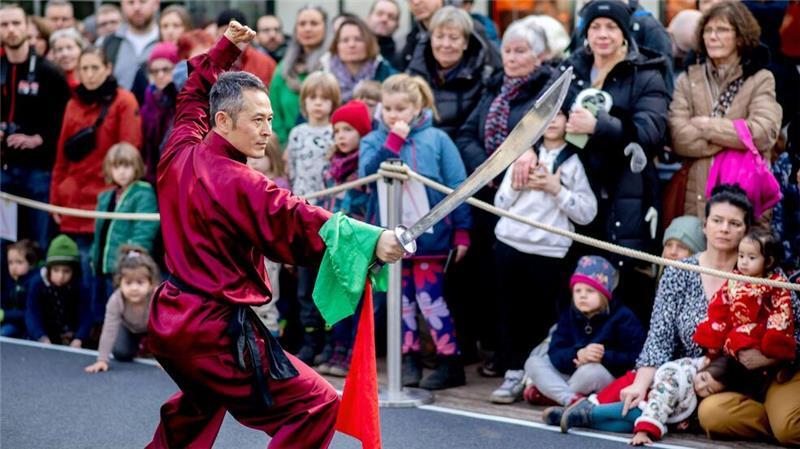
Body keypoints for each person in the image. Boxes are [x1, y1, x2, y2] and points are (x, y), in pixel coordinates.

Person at [146, 22, 404, 448]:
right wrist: (373, 240)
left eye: (269, 119)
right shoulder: (241, 181)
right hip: (213, 332)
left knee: (198, 406)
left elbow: (192, 95)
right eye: (257, 120)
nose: (268, 129)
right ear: (222, 120)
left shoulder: (179, 149)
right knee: (316, 404)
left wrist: (225, 49)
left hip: (170, 319)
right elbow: (296, 217)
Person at [617, 184, 800, 446]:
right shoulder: (679, 272)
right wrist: (640, 383)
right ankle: (774, 422)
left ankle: (782, 420)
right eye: (717, 220)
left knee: (789, 428)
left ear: (746, 231)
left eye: (734, 223)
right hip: (713, 380)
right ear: (704, 226)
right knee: (711, 415)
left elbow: (797, 331)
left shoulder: (768, 273)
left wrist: (768, 357)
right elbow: (659, 337)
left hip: (773, 374)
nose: (724, 228)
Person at [550, 0, 669, 324]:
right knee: (575, 281)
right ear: (585, 33)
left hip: (627, 191)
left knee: (624, 282)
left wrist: (599, 125)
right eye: (595, 27)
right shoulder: (570, 70)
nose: (603, 34)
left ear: (624, 33)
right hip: (575, 188)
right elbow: (544, 114)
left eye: (611, 27)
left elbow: (651, 132)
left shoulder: (646, 73)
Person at [359, 73, 472, 390]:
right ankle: (408, 359)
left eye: (401, 108)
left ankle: (450, 360)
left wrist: (462, 230)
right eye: (388, 108)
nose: (393, 115)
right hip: (389, 236)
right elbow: (366, 174)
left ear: (417, 107)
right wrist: (393, 141)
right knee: (401, 301)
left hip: (431, 237)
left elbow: (457, 186)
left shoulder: (437, 139)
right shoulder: (372, 140)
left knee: (429, 299)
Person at [488, 111, 598, 403]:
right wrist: (517, 183)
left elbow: (587, 213)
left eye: (558, 115)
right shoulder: (523, 155)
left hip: (550, 250)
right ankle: (512, 373)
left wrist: (555, 189)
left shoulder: (573, 162)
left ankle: (536, 377)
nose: (551, 121)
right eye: (546, 114)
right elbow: (499, 203)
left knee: (543, 317)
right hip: (510, 243)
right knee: (510, 313)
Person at [51, 46, 142, 322]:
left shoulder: (124, 101)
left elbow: (130, 154)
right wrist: (55, 197)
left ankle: (103, 327)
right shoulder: (73, 104)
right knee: (78, 272)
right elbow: (61, 156)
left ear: (108, 69)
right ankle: (83, 328)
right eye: (84, 69)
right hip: (74, 201)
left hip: (106, 203)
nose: (89, 74)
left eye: (95, 68)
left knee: (104, 272)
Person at [669, 1, 782, 220]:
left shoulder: (760, 78)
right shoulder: (688, 79)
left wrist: (706, 125)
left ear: (740, 36)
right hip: (694, 201)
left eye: (722, 30)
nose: (712, 37)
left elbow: (762, 134)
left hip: (743, 203)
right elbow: (678, 137)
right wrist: (736, 136)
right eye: (708, 30)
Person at [524, 256, 645, 406]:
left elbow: (636, 357)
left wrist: (603, 357)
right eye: (577, 290)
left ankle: (552, 395)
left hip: (601, 376)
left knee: (591, 372)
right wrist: (578, 354)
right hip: (571, 374)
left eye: (590, 290)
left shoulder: (623, 317)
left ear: (604, 293)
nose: (582, 296)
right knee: (533, 362)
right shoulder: (569, 314)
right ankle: (571, 399)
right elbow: (555, 351)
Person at [553, 356, 755, 445]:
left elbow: (681, 409)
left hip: (650, 413)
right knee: (636, 413)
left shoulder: (698, 391)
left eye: (709, 390)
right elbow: (660, 401)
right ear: (705, 366)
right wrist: (643, 431)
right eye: (703, 379)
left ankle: (570, 417)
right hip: (635, 395)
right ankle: (587, 411)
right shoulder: (679, 376)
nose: (701, 387)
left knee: (628, 425)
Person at [0, 4, 71, 251]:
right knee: (5, 243)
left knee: (39, 241)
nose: (11, 30)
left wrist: (38, 138)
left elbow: (64, 120)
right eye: (4, 24)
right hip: (5, 170)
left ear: (27, 27)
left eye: (16, 23)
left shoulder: (48, 72)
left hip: (39, 170)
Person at [314, 100, 373, 377]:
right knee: (336, 294)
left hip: (356, 241)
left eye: (348, 130)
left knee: (355, 297)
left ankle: (350, 350)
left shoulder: (365, 166)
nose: (341, 136)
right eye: (337, 130)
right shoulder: (331, 166)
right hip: (334, 239)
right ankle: (336, 346)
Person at [286, 71, 340, 364]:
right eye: (312, 98)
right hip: (302, 217)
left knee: (328, 282)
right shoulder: (297, 134)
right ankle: (310, 340)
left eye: (324, 99)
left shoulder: (335, 133)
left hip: (329, 218)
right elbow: (292, 173)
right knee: (304, 285)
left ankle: (331, 342)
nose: (318, 104)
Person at [693, 228, 796, 361]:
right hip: (733, 331)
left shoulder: (775, 283)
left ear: (769, 261)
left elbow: (782, 312)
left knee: (739, 338)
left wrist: (774, 337)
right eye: (741, 256)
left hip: (760, 334)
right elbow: (720, 303)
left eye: (751, 257)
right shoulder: (735, 278)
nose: (744, 262)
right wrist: (715, 328)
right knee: (713, 332)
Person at [406, 6, 501, 140]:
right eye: (439, 37)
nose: (446, 44)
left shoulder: (483, 78)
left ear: (465, 43)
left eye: (454, 38)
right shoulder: (415, 73)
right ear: (431, 39)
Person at [90, 142, 158, 323]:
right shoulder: (106, 197)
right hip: (102, 267)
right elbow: (99, 233)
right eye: (116, 167)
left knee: (123, 316)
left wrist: (130, 260)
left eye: (126, 166)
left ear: (136, 167)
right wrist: (93, 256)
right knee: (103, 312)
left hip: (125, 269)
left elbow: (144, 231)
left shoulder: (143, 194)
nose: (121, 172)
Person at [85, 247, 159, 373]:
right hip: (129, 328)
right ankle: (138, 347)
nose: (134, 288)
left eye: (140, 282)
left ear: (151, 283)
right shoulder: (116, 300)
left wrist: (167, 359)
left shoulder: (158, 297)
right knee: (121, 353)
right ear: (119, 283)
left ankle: (150, 349)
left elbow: (169, 329)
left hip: (155, 331)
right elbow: (109, 329)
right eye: (128, 283)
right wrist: (102, 360)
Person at [270, 6, 331, 146]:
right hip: (285, 147)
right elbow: (273, 113)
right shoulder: (284, 68)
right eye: (302, 24)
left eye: (314, 23)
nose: (307, 29)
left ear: (326, 28)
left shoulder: (332, 65)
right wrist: (284, 145)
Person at [25, 234, 91, 347]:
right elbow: (31, 314)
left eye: (66, 271)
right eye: (56, 270)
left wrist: (79, 338)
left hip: (71, 340)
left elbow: (86, 315)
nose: (60, 276)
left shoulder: (80, 286)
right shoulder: (37, 284)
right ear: (49, 269)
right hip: (43, 339)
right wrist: (41, 336)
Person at [321, 16, 396, 102]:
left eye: (358, 39)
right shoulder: (324, 76)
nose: (352, 45)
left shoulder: (388, 76)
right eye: (345, 40)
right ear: (336, 45)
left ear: (369, 42)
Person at [140, 41, 178, 184]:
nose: (160, 75)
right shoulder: (149, 103)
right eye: (155, 71)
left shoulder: (185, 101)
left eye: (166, 69)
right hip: (154, 177)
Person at [102, 0, 160, 91]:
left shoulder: (166, 39)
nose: (136, 8)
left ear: (156, 4)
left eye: (142, 1)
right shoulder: (111, 42)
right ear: (122, 5)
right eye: (130, 2)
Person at [215, 10, 277, 88]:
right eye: (226, 31)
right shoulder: (210, 63)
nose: (233, 36)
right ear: (217, 34)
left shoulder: (266, 63)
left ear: (247, 33)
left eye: (238, 30)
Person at [2, 239, 42, 338]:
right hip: (9, 321)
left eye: (19, 262)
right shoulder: (10, 281)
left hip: (24, 327)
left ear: (31, 264)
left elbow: (29, 313)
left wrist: (5, 315)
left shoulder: (34, 282)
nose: (13, 267)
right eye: (10, 263)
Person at [366, 0, 401, 66]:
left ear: (397, 26)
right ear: (368, 18)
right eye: (379, 14)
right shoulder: (352, 49)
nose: (384, 19)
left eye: (391, 17)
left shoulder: (401, 59)